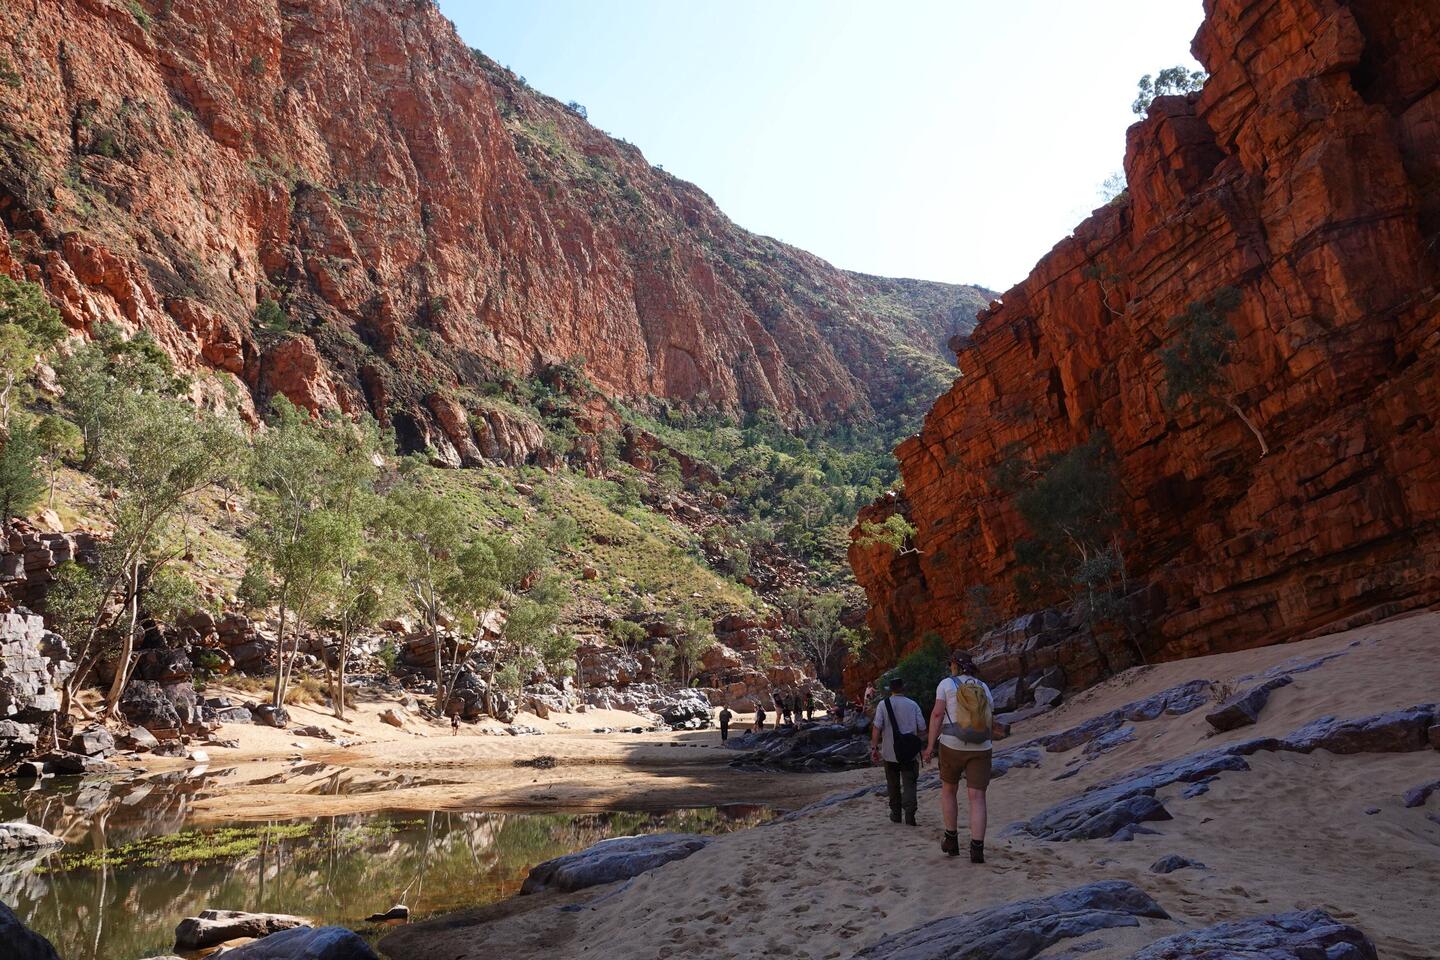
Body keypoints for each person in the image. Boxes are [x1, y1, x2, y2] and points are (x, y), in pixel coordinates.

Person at [923, 650, 995, 863]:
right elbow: (990, 714)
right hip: (981, 746)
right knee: (978, 797)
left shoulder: (946, 684)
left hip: (952, 744)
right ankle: (977, 849)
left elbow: (937, 714)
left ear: (953, 665)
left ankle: (951, 840)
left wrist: (929, 747)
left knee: (948, 790)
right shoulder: (983, 686)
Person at [870, 676, 925, 825]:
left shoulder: (883, 704)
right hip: (909, 754)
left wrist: (874, 748)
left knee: (892, 784)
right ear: (903, 688)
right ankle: (910, 816)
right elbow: (922, 727)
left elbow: (877, 728)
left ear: (891, 690)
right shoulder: (913, 705)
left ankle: (896, 814)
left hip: (890, 753)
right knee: (910, 784)